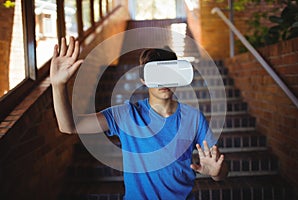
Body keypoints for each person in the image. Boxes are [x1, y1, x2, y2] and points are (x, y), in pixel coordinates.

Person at [50, 36, 228, 200]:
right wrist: (58, 85)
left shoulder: (193, 118)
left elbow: (220, 170)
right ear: (143, 79)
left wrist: (216, 173)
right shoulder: (125, 115)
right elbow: (69, 126)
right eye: (156, 75)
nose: (164, 81)